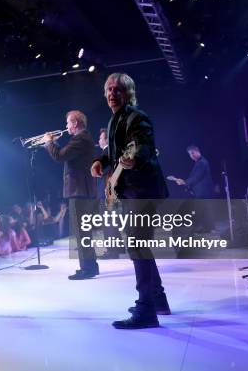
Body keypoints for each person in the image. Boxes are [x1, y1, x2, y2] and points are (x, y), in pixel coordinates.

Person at [91, 73, 170, 329]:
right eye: (109, 90)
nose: (113, 94)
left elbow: (144, 145)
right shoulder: (116, 119)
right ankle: (157, 299)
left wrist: (135, 159)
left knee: (137, 245)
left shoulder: (137, 117)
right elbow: (113, 151)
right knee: (140, 245)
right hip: (133, 191)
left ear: (128, 93)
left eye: (118, 90)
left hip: (144, 190)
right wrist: (101, 162)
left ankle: (146, 309)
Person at [42, 110, 98, 280]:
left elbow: (60, 156)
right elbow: (65, 154)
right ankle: (91, 266)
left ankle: (87, 268)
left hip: (79, 190)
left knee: (81, 231)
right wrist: (53, 144)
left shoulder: (80, 138)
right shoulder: (83, 138)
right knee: (84, 230)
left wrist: (49, 143)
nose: (66, 126)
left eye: (68, 123)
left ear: (75, 123)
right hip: (82, 190)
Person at [171, 146, 215, 233]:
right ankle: (207, 228)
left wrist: (184, 182)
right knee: (203, 210)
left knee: (201, 209)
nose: (191, 156)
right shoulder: (200, 162)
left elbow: (196, 177)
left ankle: (206, 228)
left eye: (192, 153)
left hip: (202, 191)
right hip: (201, 191)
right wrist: (185, 182)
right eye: (190, 154)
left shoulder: (202, 163)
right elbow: (194, 177)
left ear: (197, 152)